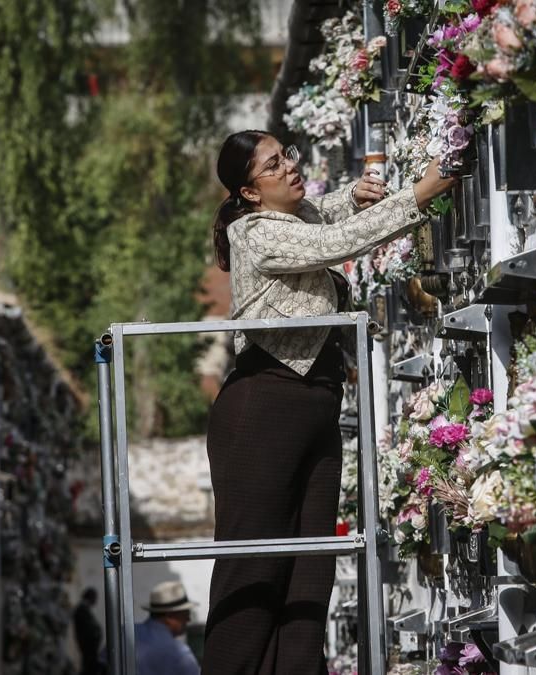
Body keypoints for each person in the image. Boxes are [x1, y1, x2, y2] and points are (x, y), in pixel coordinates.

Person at [203, 130, 455, 674]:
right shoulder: (253, 232)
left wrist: (359, 195)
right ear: (249, 192)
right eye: (274, 165)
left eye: (288, 155)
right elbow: (326, 246)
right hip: (262, 407)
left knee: (310, 565)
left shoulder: (290, 216)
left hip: (314, 402)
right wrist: (417, 196)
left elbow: (326, 213)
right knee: (253, 568)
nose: (291, 167)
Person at [135, 581, 200, 675]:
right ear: (169, 616)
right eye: (185, 614)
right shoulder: (179, 653)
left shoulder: (126, 633)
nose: (188, 620)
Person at [73, 587, 103, 675]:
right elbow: (88, 630)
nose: (96, 601)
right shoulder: (82, 610)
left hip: (90, 648)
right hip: (87, 646)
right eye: (95, 598)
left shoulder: (84, 610)